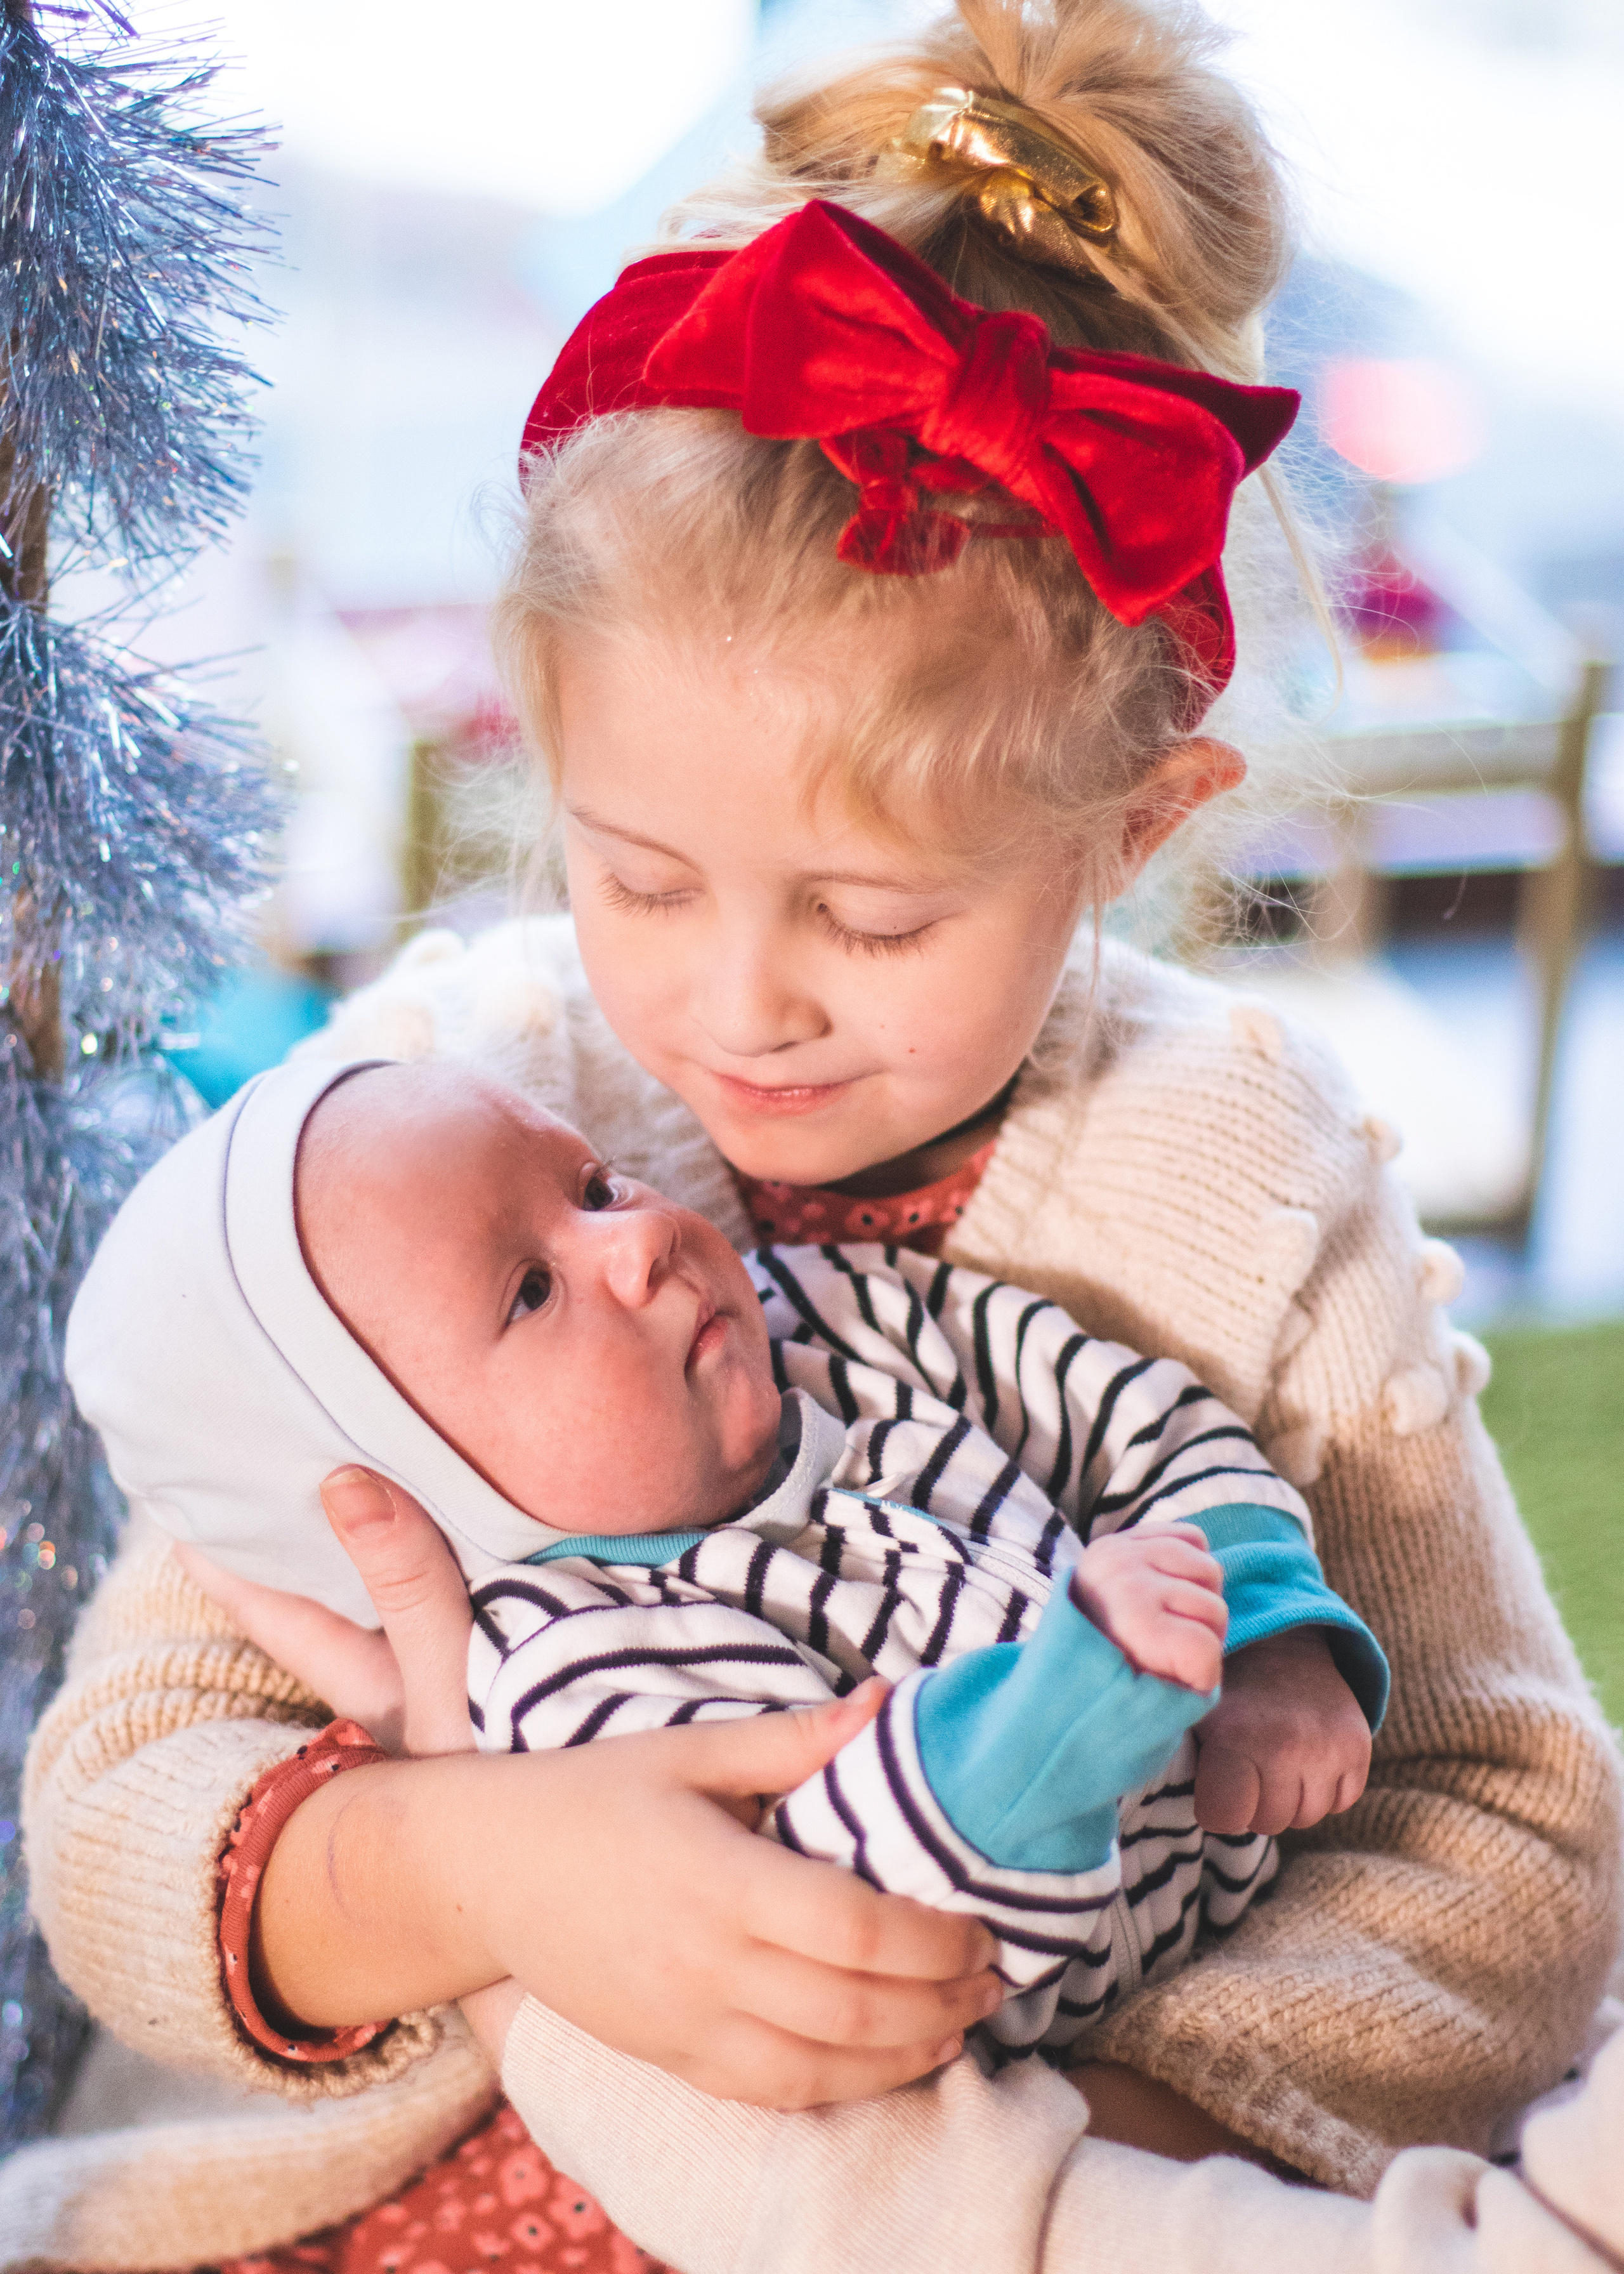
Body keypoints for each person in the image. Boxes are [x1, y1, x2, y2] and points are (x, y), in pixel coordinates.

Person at [11, 2, 1621, 2269]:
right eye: (639, 876)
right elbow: (109, 1803)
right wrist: (478, 1866)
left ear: (1136, 825)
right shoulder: (441, 1118)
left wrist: (1077, 2138)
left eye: (871, 916)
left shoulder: (1247, 1177)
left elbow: (1519, 1823)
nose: (736, 1000)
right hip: (426, 2193)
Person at [63, 1053, 1385, 2060]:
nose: (633, 1242)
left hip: (1240, 1903)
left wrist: (1267, 1625)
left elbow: (1120, 1406)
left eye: (592, 1187)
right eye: (529, 1289)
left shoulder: (813, 1314)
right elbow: (843, 1915)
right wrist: (1062, 1709)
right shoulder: (560, 1664)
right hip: (1018, 2025)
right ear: (402, 1503)